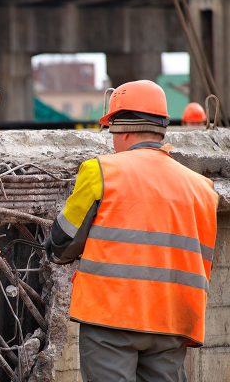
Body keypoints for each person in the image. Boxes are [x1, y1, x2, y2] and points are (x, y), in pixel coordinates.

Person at [44, 80, 218, 382]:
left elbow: (62, 243)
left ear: (121, 129)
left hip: (111, 318)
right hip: (174, 321)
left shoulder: (101, 171)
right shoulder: (202, 188)